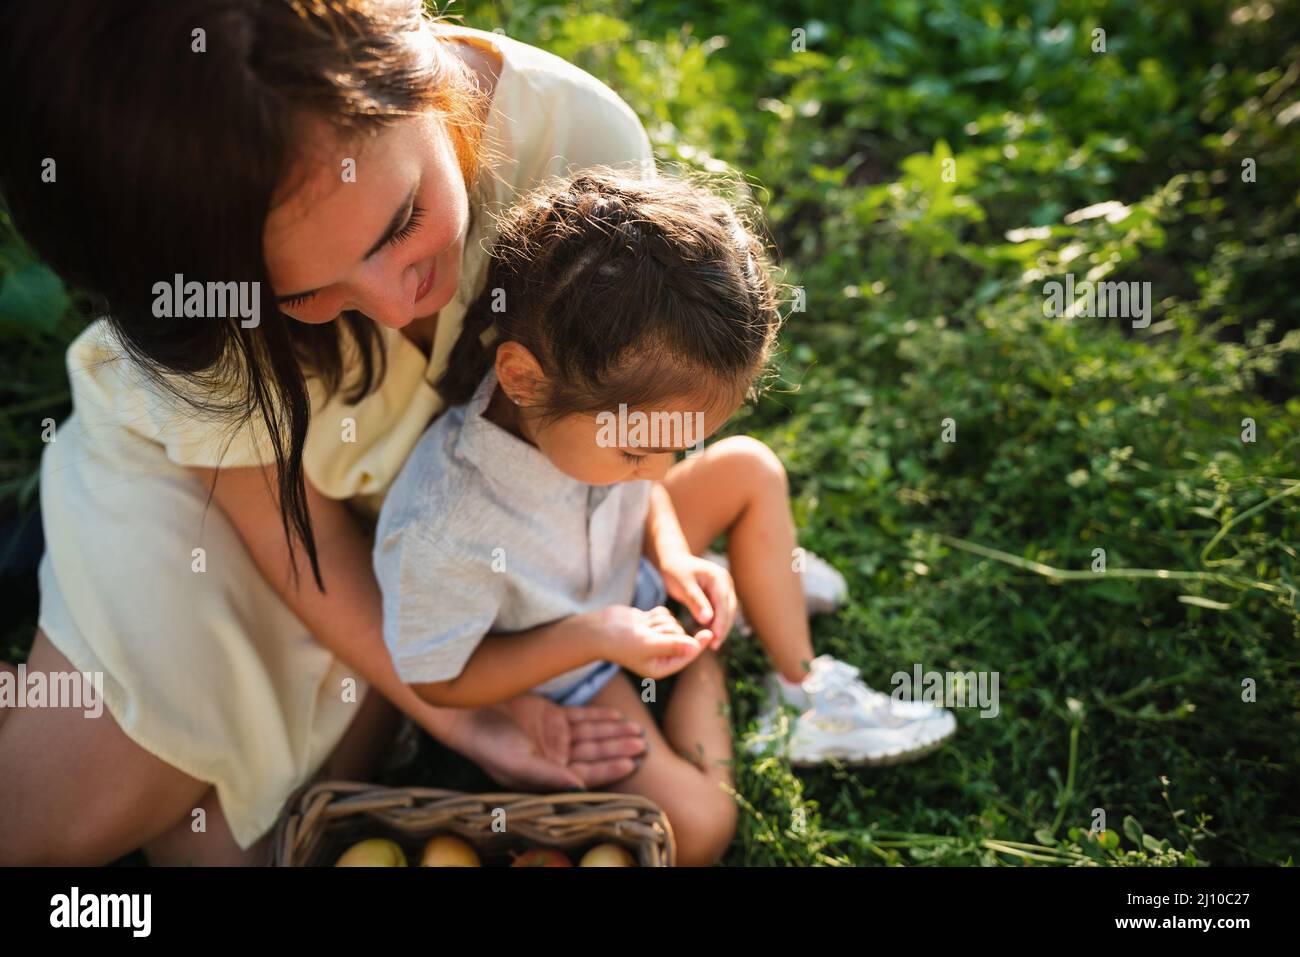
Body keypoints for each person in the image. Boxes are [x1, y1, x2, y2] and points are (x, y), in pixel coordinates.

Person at [0, 1, 666, 865]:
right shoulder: (193, 252)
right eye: (303, 295)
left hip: (409, 532)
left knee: (252, 846)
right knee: (47, 825)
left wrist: (457, 683)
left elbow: (610, 415)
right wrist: (457, 713)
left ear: (408, 50)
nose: (398, 303)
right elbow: (285, 523)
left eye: (401, 221)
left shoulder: (581, 149)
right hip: (232, 487)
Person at [373, 171, 957, 866]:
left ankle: (802, 690)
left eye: (679, 445)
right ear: (523, 379)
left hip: (624, 579)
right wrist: (595, 635)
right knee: (702, 825)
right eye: (639, 449)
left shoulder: (601, 430)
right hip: (571, 664)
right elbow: (438, 679)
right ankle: (708, 645)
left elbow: (645, 493)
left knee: (749, 469)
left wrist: (674, 556)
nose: (660, 470)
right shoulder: (449, 530)